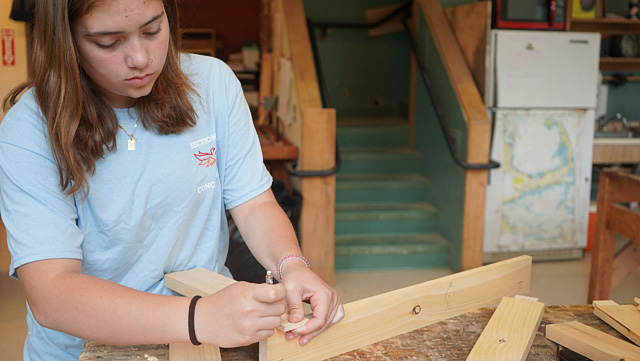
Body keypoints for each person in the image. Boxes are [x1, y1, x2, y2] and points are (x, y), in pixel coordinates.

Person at [0, 0, 344, 360]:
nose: (140, 58)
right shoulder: (29, 130)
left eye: (152, 31)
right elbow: (52, 294)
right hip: (85, 350)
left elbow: (254, 203)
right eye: (108, 42)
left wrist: (291, 265)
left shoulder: (213, 84)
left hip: (207, 341)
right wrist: (199, 318)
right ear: (65, 39)